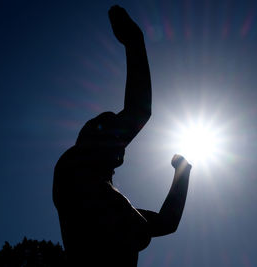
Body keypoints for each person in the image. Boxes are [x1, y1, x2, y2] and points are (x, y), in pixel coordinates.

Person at [53, 5, 192, 267]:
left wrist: (183, 172)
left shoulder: (109, 199)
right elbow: (138, 111)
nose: (121, 141)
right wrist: (135, 43)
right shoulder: (71, 171)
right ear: (90, 139)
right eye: (108, 128)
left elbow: (167, 223)